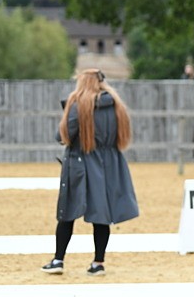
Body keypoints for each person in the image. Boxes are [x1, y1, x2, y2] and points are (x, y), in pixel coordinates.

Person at [41, 69, 139, 275]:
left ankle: (58, 259)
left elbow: (63, 135)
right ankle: (98, 263)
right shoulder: (116, 106)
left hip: (80, 162)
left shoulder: (78, 105)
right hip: (108, 163)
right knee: (101, 214)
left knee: (67, 212)